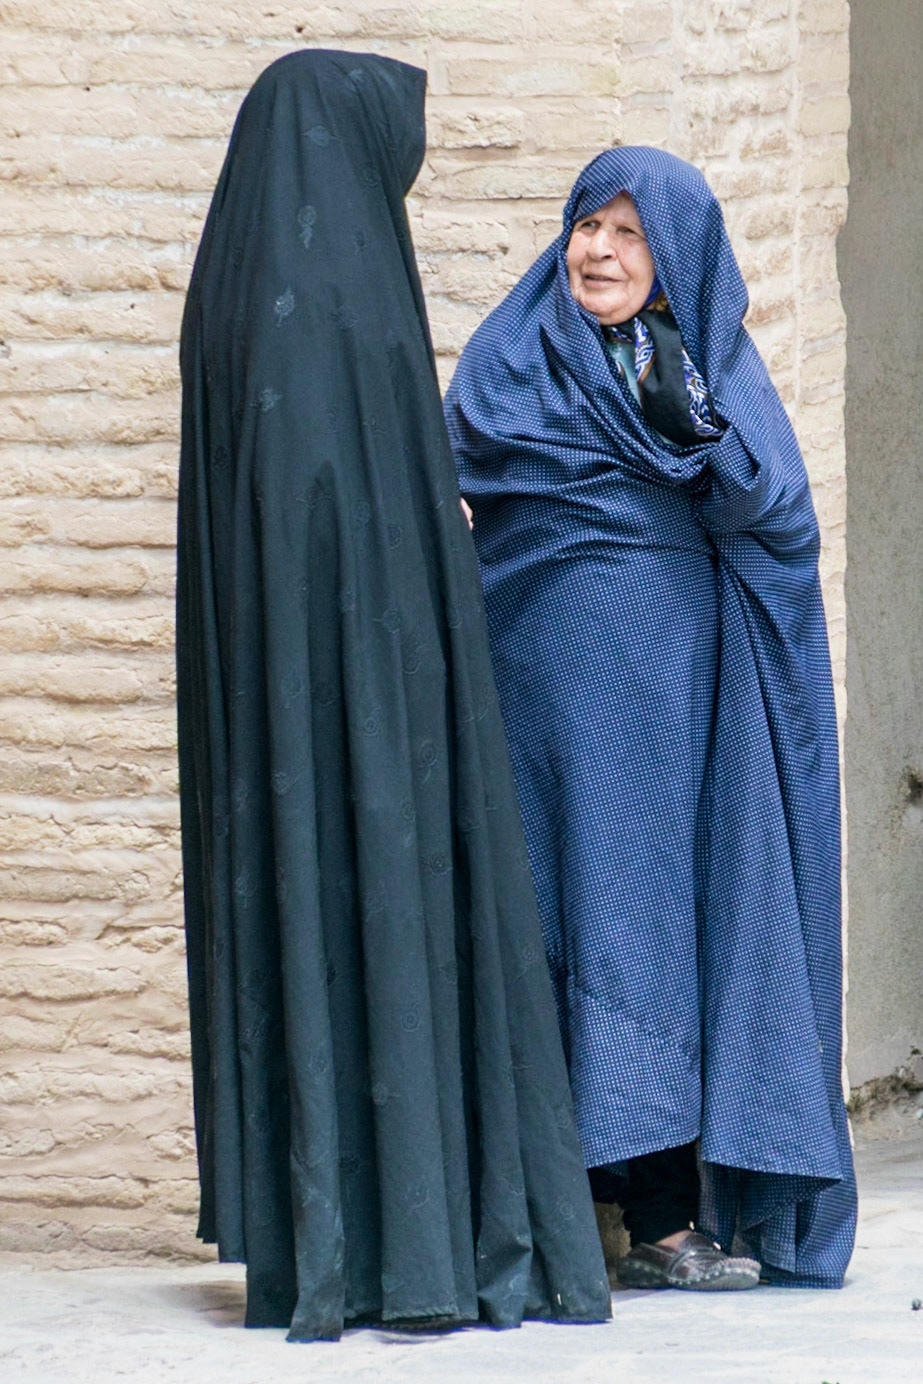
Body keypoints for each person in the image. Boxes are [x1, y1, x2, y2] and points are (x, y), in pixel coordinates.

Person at [176, 50, 611, 1341]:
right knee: (389, 905)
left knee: (303, 903)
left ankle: (323, 1243)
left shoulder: (236, 289)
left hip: (278, 706)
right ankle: (420, 1242)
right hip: (376, 701)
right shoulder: (348, 302)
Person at [445, 146, 858, 1291]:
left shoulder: (704, 368)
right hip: (532, 689)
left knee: (650, 928)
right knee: (549, 914)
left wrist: (701, 433)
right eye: (589, 224)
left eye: (630, 234)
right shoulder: (511, 354)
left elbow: (775, 511)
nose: (598, 250)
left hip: (667, 697)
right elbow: (455, 472)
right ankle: (544, 1207)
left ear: (674, 257)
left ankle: (663, 1218)